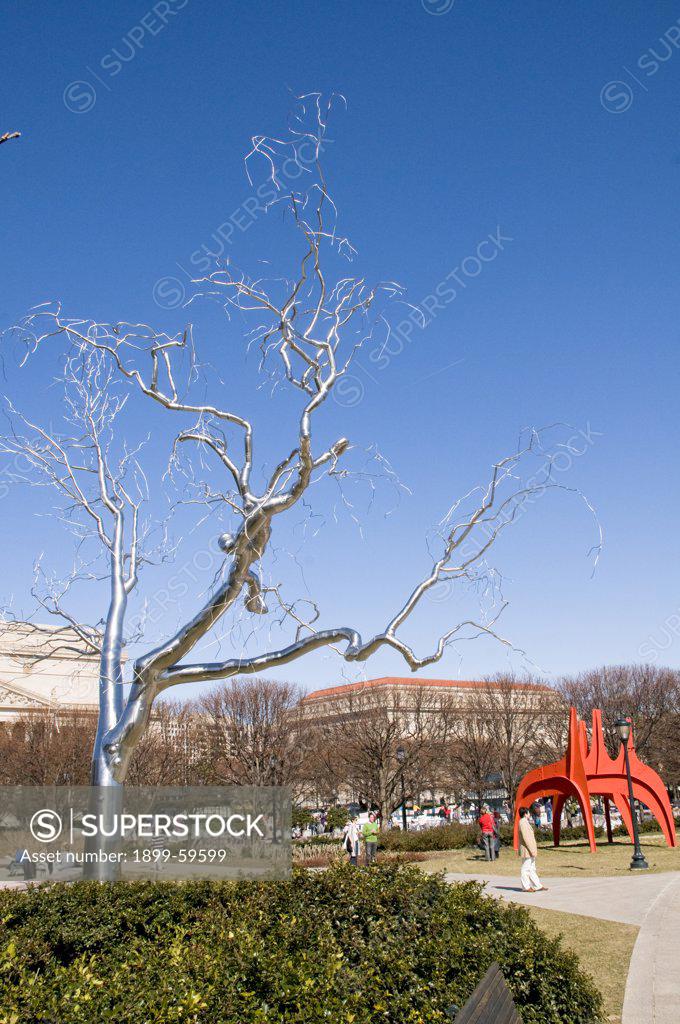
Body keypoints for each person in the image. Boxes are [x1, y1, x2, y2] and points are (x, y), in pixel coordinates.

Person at [518, 807, 548, 893]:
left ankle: (537, 885)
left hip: (530, 849)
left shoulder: (525, 822)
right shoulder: (523, 823)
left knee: (532, 868)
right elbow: (526, 838)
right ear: (525, 814)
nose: (530, 814)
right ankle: (526, 887)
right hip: (527, 849)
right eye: (528, 813)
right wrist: (532, 850)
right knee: (526, 868)